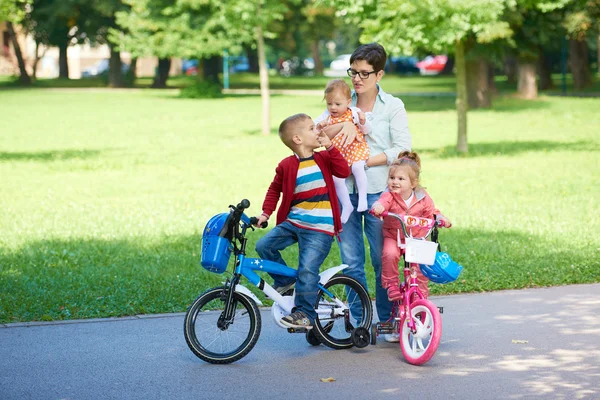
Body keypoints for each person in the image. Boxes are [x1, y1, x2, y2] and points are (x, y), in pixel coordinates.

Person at [321, 43, 411, 327]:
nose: (357, 79)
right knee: (351, 262)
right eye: (353, 72)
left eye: (364, 73)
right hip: (344, 192)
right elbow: (318, 133)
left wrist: (365, 162)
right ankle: (359, 320)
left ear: (379, 74)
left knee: (381, 258)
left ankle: (385, 318)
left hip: (378, 192)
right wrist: (343, 125)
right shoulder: (340, 103)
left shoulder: (392, 106)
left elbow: (402, 148)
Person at [254, 113, 350, 329]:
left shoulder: (323, 158)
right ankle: (285, 283)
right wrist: (265, 213)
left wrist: (330, 147)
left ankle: (305, 314)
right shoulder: (287, 165)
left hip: (320, 228)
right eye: (311, 128)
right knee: (264, 245)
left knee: (307, 269)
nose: (317, 130)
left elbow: (343, 171)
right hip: (294, 222)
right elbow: (274, 189)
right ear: (297, 139)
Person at [370, 151, 452, 303]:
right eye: (392, 178)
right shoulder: (389, 195)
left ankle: (420, 299)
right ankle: (392, 286)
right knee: (389, 254)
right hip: (394, 237)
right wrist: (378, 207)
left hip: (417, 239)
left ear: (413, 183)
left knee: (420, 268)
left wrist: (441, 219)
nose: (395, 182)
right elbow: (381, 202)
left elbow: (432, 212)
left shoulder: (422, 197)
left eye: (401, 179)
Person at [314, 79, 372, 224]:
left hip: (355, 148)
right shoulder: (325, 116)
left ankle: (363, 198)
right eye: (329, 103)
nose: (333, 108)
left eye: (337, 104)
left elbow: (367, 131)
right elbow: (315, 133)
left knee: (358, 167)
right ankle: (347, 205)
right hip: (338, 153)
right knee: (336, 179)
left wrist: (364, 122)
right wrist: (319, 126)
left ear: (348, 102)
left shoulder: (354, 112)